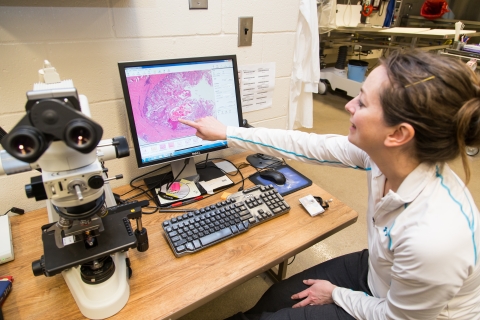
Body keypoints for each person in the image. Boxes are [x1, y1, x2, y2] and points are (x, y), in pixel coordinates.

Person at [178, 49, 480, 320]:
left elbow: (395, 317)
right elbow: (309, 146)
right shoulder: (388, 157)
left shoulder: (436, 238)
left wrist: (336, 294)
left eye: (361, 102)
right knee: (277, 296)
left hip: (403, 313)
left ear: (398, 135)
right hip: (381, 273)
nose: (349, 106)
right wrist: (228, 132)